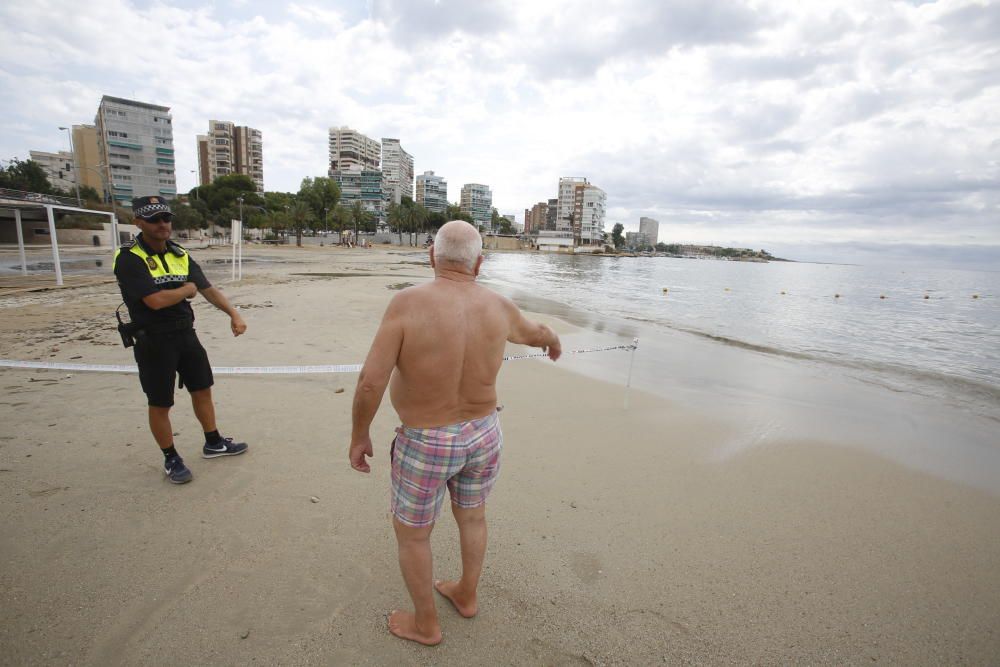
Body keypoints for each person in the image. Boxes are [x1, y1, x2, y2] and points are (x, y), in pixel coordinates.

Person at [349, 220, 562, 645]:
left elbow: (371, 381)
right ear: (479, 263)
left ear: (432, 255)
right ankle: (466, 594)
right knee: (473, 516)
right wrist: (553, 340)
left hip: (427, 440)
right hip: (484, 433)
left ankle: (426, 624)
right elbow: (536, 333)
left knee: (413, 533)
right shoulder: (499, 307)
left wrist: (360, 435)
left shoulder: (407, 304)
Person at [114, 196, 249, 485]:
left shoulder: (179, 253)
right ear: (138, 222)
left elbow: (207, 289)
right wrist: (186, 289)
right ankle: (171, 457)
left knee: (202, 389)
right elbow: (155, 301)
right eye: (153, 219)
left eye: (165, 218)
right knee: (160, 403)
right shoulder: (129, 258)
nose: (162, 224)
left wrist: (233, 313)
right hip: (153, 341)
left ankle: (213, 442)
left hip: (186, 335)